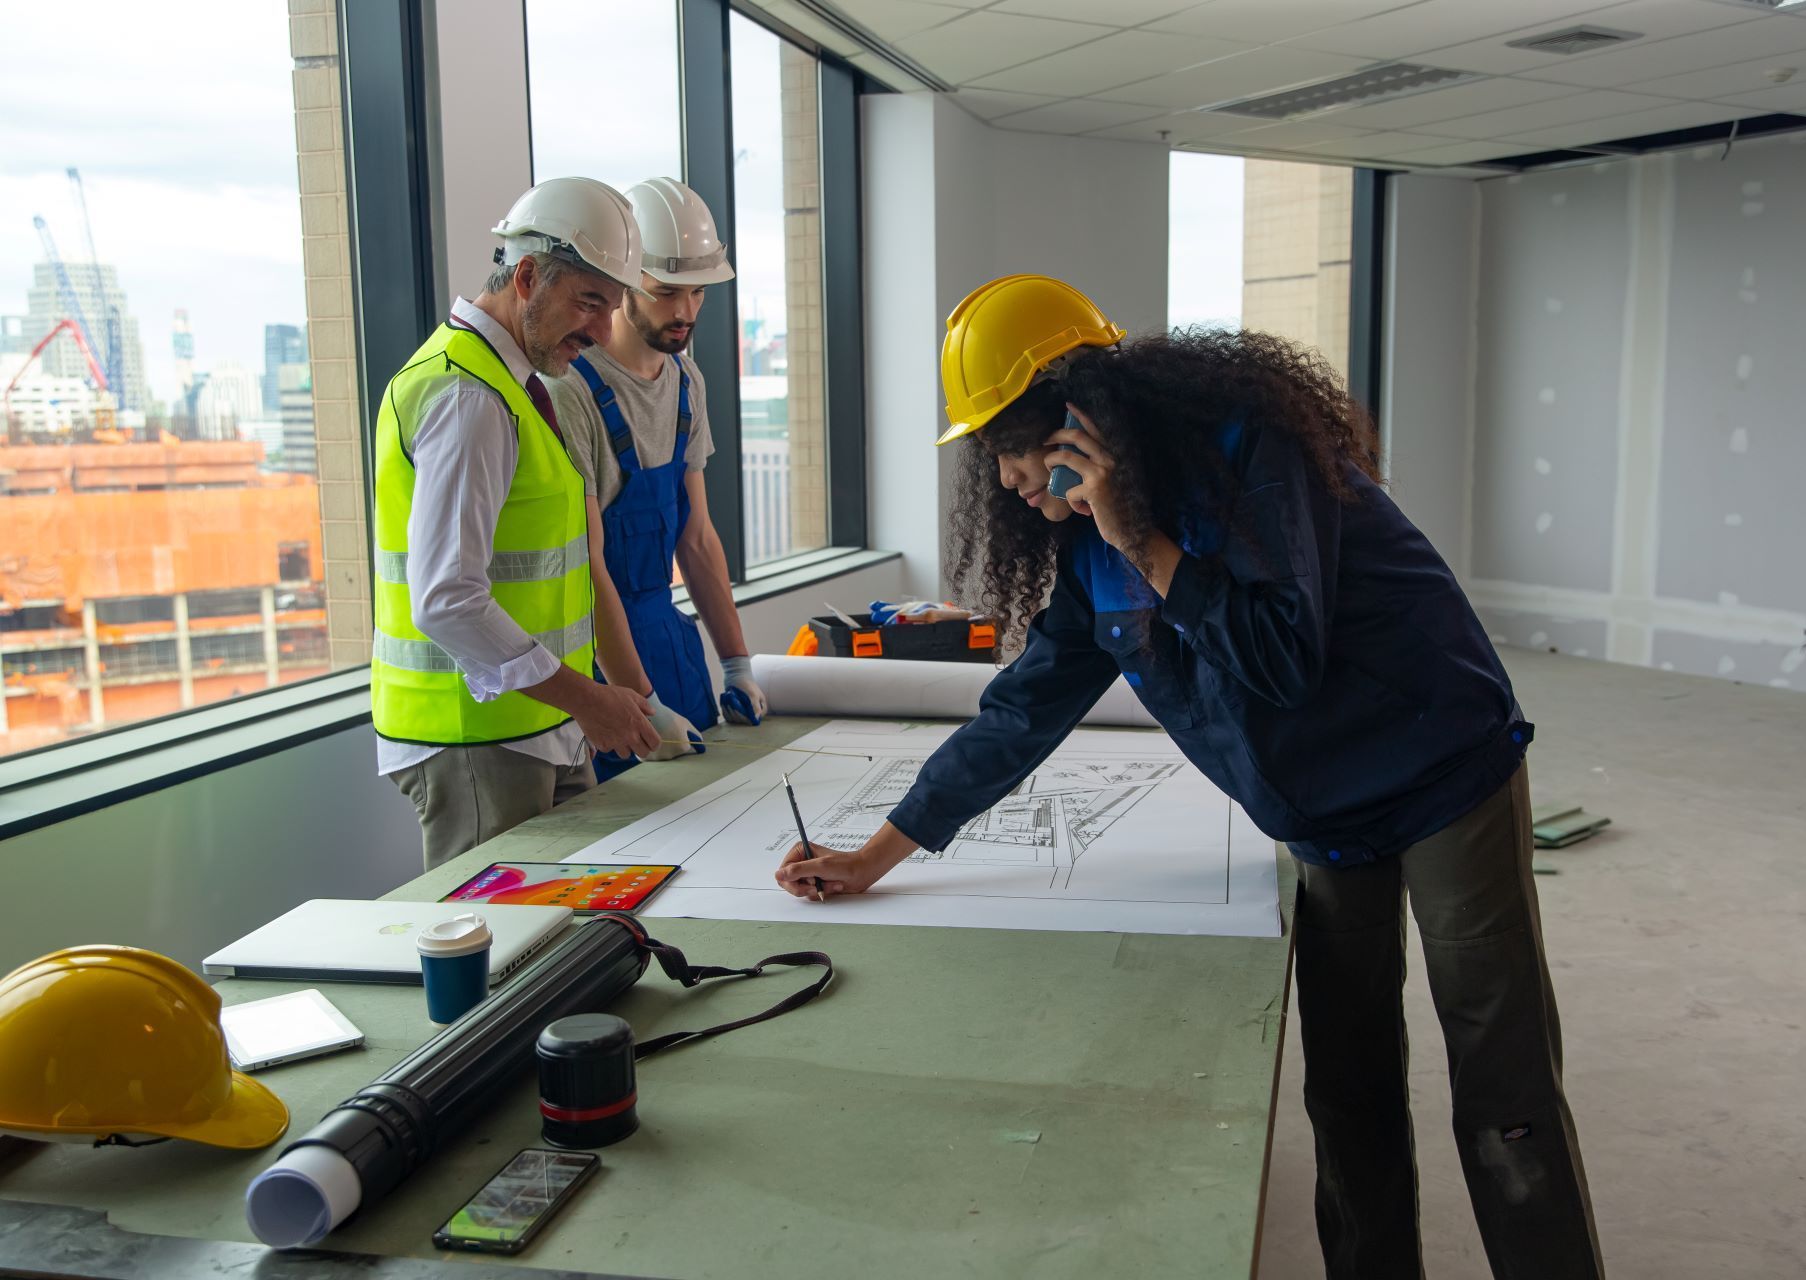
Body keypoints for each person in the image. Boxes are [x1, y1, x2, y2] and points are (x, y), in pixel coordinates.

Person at [774, 274, 1605, 1278]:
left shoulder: (1253, 451)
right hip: (1323, 814)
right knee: (1349, 1091)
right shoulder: (1086, 558)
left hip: (1437, 768)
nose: (1000, 480)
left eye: (1006, 445)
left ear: (1079, 417)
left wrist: (1147, 541)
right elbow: (1022, 711)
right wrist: (877, 850)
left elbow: (1284, 659)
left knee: (1501, 1086)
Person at [372, 177, 662, 871]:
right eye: (588, 302)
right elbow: (447, 599)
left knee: (570, 946)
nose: (598, 331)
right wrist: (589, 699)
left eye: (611, 307)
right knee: (507, 960)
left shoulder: (518, 386)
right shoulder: (467, 395)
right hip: (475, 739)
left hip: (532, 726)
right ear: (527, 276)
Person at [544, 176, 767, 781]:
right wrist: (638, 699)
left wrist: (737, 662)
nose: (686, 312)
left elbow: (695, 539)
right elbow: (587, 567)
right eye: (667, 292)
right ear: (622, 287)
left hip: (670, 642)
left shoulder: (688, 383)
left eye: (698, 293)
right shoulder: (571, 392)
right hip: (601, 660)